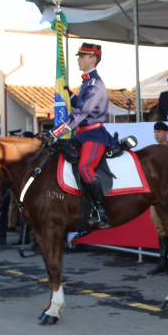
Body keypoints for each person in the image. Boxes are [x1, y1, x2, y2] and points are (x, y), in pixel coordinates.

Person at [50, 42, 115, 228]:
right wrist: (68, 94)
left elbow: (80, 114)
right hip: (82, 136)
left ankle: (103, 214)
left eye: (82, 56)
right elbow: (82, 105)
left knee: (85, 168)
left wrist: (55, 133)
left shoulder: (94, 84)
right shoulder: (87, 82)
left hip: (93, 135)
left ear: (92, 59)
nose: (78, 59)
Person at [149, 121, 168, 274]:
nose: (157, 134)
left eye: (159, 131)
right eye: (155, 131)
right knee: (160, 228)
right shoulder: (153, 152)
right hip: (156, 195)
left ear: (167, 133)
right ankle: (163, 261)